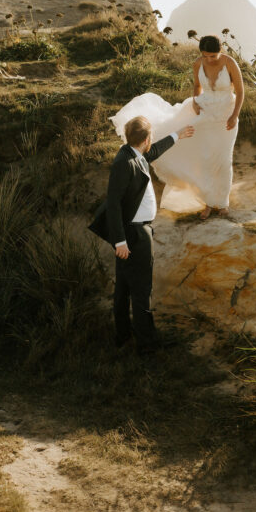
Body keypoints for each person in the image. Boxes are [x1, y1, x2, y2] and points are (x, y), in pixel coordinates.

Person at [88, 115, 194, 352]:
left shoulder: (132, 153)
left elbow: (152, 152)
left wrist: (177, 135)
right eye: (150, 138)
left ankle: (123, 337)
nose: (151, 142)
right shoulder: (123, 163)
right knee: (140, 290)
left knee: (125, 288)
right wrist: (120, 241)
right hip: (133, 235)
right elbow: (113, 204)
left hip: (131, 233)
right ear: (145, 139)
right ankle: (147, 344)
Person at [109, 35, 244, 219]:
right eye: (205, 56)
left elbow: (241, 91)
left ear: (220, 52)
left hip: (226, 117)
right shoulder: (198, 63)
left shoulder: (230, 63)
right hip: (204, 113)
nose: (209, 59)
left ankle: (222, 203)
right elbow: (197, 86)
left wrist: (235, 116)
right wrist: (195, 102)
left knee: (223, 160)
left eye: (213, 56)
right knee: (205, 159)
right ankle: (208, 202)